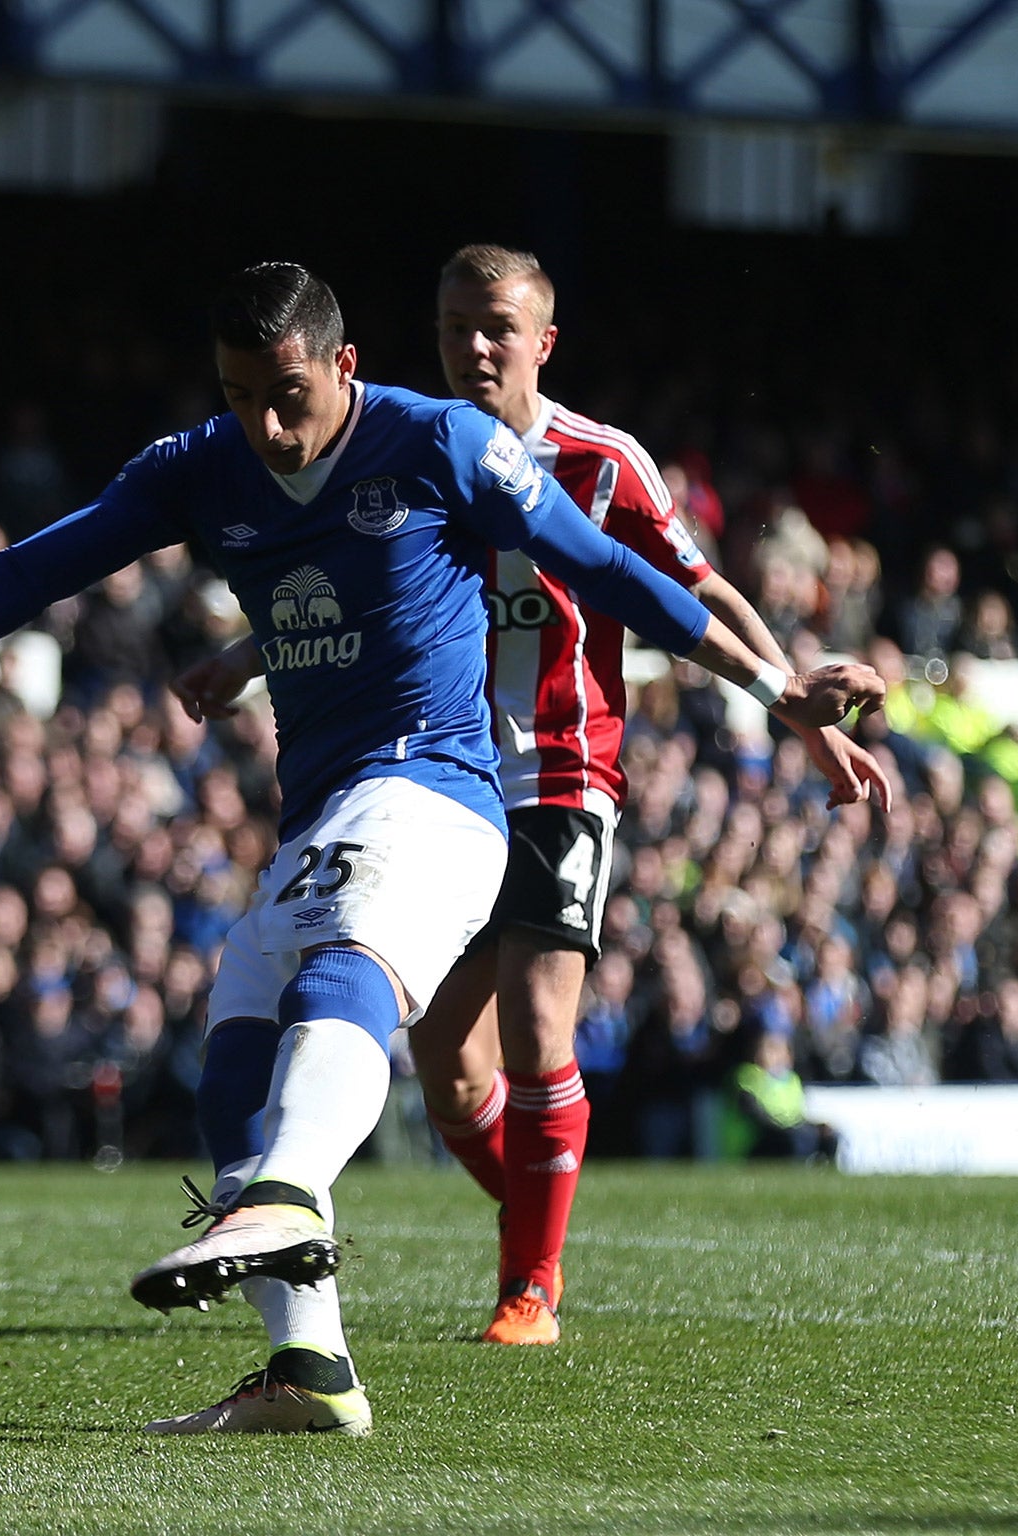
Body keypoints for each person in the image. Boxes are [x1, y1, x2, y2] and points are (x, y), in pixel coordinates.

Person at [0, 263, 881, 1436]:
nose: (267, 426)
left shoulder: (438, 443)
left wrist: (775, 688)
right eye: (240, 397)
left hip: (438, 792)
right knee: (237, 1041)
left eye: (285, 394)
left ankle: (307, 1201)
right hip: (326, 806)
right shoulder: (203, 467)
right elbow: (33, 571)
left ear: (342, 365)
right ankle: (309, 1371)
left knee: (348, 976)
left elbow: (608, 572)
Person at [407, 244, 889, 1344]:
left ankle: (528, 1288)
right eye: (450, 327)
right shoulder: (412, 453)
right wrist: (243, 659)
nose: (472, 346)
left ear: (542, 340)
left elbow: (697, 588)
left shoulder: (600, 461)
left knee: (538, 1026)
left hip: (563, 766)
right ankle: (538, 1219)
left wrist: (797, 718)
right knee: (445, 1070)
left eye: (494, 325)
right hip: (444, 783)